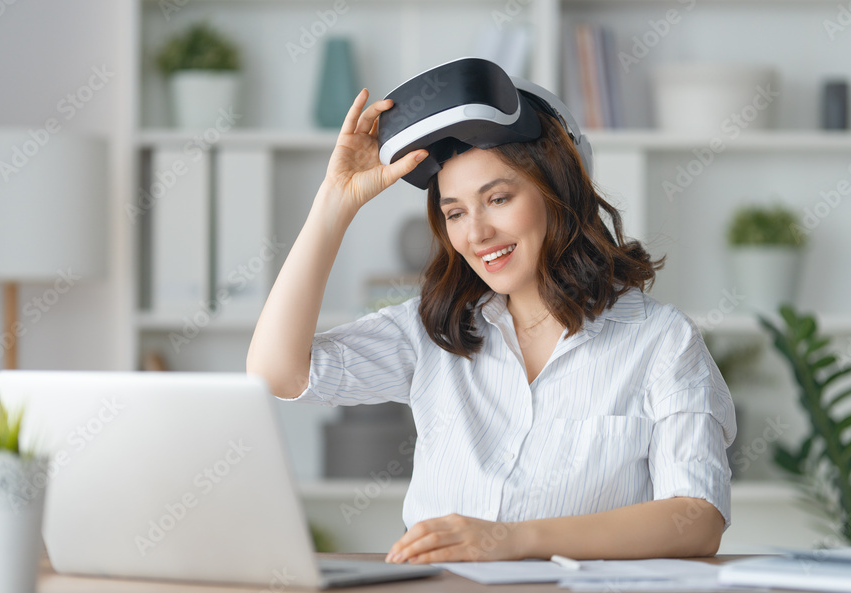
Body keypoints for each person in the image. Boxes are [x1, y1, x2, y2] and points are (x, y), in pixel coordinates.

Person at [247, 65, 736, 565]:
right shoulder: (431, 331)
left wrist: (512, 540)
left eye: (498, 199)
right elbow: (278, 373)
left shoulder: (660, 340)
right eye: (455, 211)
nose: (476, 234)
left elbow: (696, 519)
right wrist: (336, 203)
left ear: (558, 194)